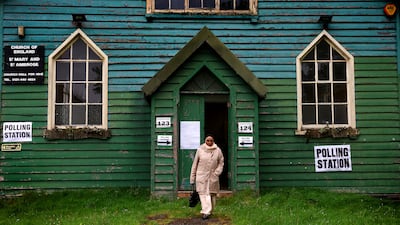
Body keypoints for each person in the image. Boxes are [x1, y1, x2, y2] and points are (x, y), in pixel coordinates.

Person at [190, 135, 224, 220]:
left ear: (213, 141)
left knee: (211, 194)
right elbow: (195, 164)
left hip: (212, 176)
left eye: (211, 140)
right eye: (207, 140)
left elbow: (221, 162)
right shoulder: (200, 150)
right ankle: (206, 211)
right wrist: (192, 178)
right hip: (201, 175)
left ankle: (209, 211)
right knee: (203, 194)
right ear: (205, 141)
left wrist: (217, 172)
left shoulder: (217, 150)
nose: (209, 142)